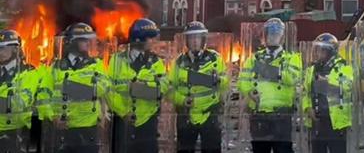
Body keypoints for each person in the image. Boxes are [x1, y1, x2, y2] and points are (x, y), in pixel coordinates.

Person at [38, 23, 111, 153]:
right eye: (84, 40)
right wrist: (52, 116)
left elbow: (102, 87)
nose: (88, 43)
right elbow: (43, 95)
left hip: (89, 128)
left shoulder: (96, 64)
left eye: (89, 40)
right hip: (62, 128)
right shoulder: (56, 67)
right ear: (72, 42)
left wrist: (71, 87)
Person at [238, 18, 302, 153]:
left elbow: (291, 78)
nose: (273, 37)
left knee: (283, 150)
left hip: (281, 115)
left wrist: (267, 70)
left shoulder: (292, 57)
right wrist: (249, 91)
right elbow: (243, 80)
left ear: (282, 37)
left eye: (276, 34)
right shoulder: (254, 58)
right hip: (258, 114)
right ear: (265, 36)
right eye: (270, 34)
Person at [109, 18, 168, 153]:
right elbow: (109, 91)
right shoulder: (117, 60)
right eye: (150, 38)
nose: (153, 42)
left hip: (148, 123)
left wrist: (140, 88)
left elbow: (163, 88)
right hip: (123, 123)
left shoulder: (156, 62)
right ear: (138, 39)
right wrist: (124, 113)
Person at [168, 21, 228, 153]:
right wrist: (182, 100)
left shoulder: (215, 58)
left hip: (210, 115)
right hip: (187, 115)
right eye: (191, 38)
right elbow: (169, 90)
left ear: (203, 39)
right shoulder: (178, 62)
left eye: (197, 38)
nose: (195, 41)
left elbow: (226, 82)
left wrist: (217, 80)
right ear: (186, 41)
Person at [302, 33, 352, 153]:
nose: (317, 53)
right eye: (316, 49)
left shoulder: (343, 66)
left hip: (335, 122)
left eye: (320, 50)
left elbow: (348, 86)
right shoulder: (312, 69)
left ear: (330, 51)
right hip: (317, 121)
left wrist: (329, 82)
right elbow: (305, 92)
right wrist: (308, 107)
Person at [0, 29, 41, 152]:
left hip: (17, 135)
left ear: (15, 49)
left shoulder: (29, 72)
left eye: (3, 48)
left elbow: (20, 103)